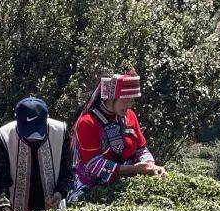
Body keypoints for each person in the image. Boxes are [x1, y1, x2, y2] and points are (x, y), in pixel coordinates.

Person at [70, 70, 165, 200]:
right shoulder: (87, 122)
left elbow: (141, 149)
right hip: (92, 186)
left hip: (126, 183)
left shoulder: (130, 116)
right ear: (110, 97)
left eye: (131, 101)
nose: (128, 106)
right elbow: (95, 164)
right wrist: (135, 170)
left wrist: (149, 165)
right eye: (125, 101)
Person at [0, 97, 75, 211]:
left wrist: (60, 192)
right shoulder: (5, 136)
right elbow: (0, 180)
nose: (32, 138)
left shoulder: (60, 131)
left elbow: (69, 170)